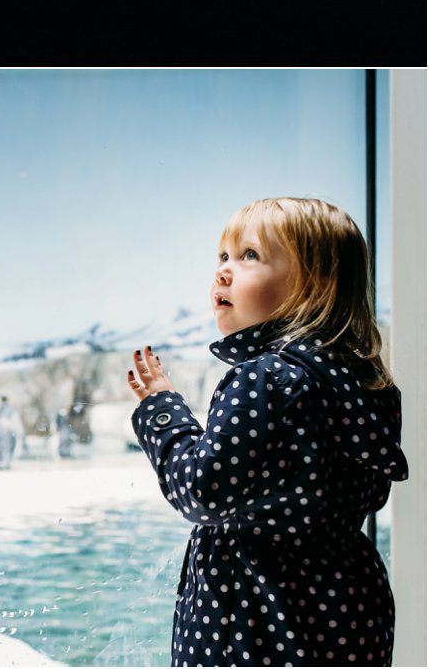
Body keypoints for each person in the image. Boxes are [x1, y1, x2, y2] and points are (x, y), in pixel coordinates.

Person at [126, 197, 406, 668]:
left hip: (256, 614)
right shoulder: (368, 382)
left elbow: (202, 491)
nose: (223, 271)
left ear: (314, 286)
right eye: (223, 256)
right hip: (348, 604)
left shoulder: (263, 378)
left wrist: (163, 411)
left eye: (249, 256)